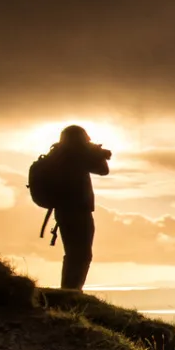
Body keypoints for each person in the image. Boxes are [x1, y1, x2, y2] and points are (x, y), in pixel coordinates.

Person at [51, 124, 111, 290]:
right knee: (82, 254)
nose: (89, 140)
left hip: (62, 210)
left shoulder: (57, 154)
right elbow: (103, 170)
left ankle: (69, 289)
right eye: (86, 137)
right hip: (79, 210)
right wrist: (98, 153)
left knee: (73, 253)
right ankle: (72, 290)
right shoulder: (78, 156)